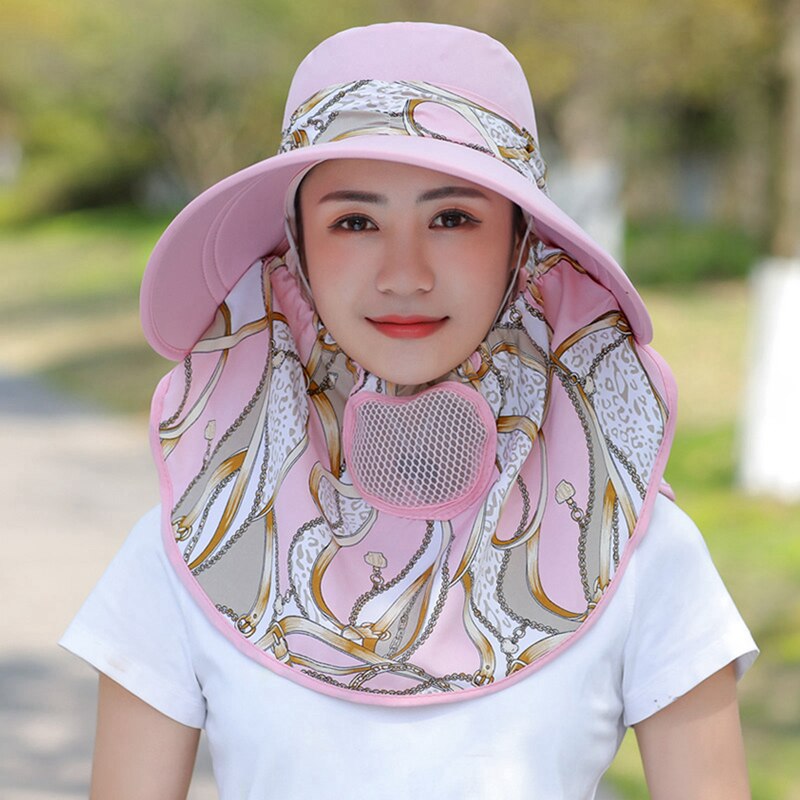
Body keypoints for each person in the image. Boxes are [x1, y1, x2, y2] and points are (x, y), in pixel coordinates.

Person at [60, 22, 758, 799]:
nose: (404, 274)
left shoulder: (632, 544)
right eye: (354, 222)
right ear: (297, 247)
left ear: (521, 243)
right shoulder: (197, 543)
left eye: (452, 217)